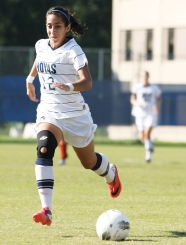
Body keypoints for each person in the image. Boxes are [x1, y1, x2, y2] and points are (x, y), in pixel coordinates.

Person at [26, 6, 122, 226]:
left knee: (89, 163)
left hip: (75, 115)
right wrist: (29, 79)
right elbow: (40, 59)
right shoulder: (41, 44)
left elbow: (87, 81)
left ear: (67, 28)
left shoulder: (73, 50)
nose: (53, 30)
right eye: (49, 26)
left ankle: (111, 172)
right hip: (50, 111)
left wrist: (69, 86)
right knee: (44, 147)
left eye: (58, 26)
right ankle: (46, 209)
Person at [130, 71, 161, 163]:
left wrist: (156, 105)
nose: (145, 77)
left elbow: (159, 100)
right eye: (143, 75)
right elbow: (132, 99)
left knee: (147, 133)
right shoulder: (137, 87)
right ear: (141, 77)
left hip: (151, 114)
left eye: (146, 75)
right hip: (140, 114)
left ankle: (148, 156)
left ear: (148, 76)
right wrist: (137, 103)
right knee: (143, 137)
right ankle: (150, 146)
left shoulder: (154, 88)